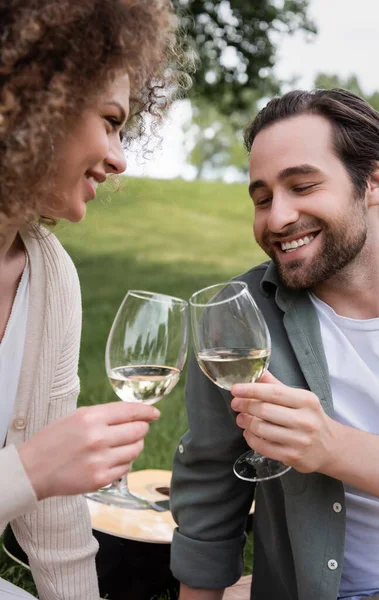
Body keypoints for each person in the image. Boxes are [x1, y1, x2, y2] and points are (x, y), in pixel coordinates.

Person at [170, 89, 379, 600]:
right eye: (262, 198)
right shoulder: (240, 313)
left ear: (373, 183)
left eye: (302, 186)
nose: (277, 219)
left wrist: (331, 447)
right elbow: (210, 484)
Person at [0, 0, 188, 598]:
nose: (118, 157)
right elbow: (38, 481)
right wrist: (30, 469)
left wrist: (44, 477)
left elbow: (56, 526)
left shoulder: (51, 278)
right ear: (30, 98)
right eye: (109, 121)